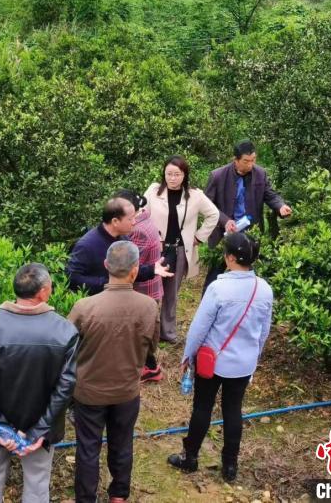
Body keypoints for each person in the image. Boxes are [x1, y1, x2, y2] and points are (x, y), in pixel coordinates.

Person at [168, 233, 273, 482]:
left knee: (202, 406)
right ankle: (230, 466)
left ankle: (190, 457)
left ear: (229, 258)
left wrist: (187, 356)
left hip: (213, 360)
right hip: (243, 363)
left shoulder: (218, 287)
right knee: (233, 410)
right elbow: (263, 331)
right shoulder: (264, 289)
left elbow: (199, 328)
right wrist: (254, 357)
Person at [0, 263, 79, 503]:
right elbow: (66, 387)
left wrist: (0, 427)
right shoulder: (64, 331)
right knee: (37, 488)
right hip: (40, 431)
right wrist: (39, 430)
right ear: (43, 291)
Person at [68, 241, 159, 503]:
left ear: (106, 265)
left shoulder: (84, 307)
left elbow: (67, 348)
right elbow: (151, 347)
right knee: (122, 443)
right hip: (126, 391)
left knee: (87, 448)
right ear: (135, 270)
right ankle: (119, 494)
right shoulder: (148, 306)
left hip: (88, 392)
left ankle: (86, 498)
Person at [144, 155, 219, 343]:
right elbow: (142, 213)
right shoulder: (154, 191)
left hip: (178, 251)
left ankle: (167, 333)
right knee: (149, 290)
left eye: (177, 174)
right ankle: (147, 331)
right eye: (169, 174)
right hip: (155, 249)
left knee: (170, 294)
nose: (172, 178)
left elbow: (213, 214)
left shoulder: (195, 195)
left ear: (184, 175)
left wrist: (198, 237)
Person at [202, 139, 292, 295]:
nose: (250, 165)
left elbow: (270, 195)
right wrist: (224, 221)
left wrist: (280, 206)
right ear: (235, 160)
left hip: (250, 232)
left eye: (253, 160)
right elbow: (206, 205)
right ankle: (207, 305)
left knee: (250, 273)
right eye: (246, 161)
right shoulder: (218, 176)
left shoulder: (260, 174)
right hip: (224, 233)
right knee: (216, 272)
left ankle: (246, 308)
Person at [66, 197, 172, 296]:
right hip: (96, 305)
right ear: (115, 221)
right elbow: (72, 278)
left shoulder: (124, 239)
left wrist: (151, 269)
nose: (134, 222)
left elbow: (127, 271)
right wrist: (108, 283)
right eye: (130, 219)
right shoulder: (86, 245)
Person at [115, 189, 164, 383]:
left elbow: (131, 267)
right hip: (148, 288)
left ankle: (150, 369)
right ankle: (149, 367)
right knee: (140, 333)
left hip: (144, 291)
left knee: (139, 334)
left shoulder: (137, 230)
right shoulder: (144, 219)